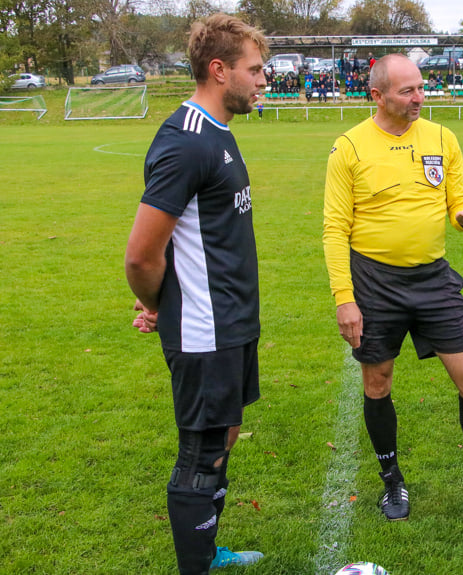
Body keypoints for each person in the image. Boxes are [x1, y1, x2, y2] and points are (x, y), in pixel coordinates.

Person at [323, 54, 463, 522]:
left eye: (421, 88)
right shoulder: (350, 148)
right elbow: (335, 229)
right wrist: (345, 299)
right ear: (376, 95)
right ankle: (392, 481)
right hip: (374, 283)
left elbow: (457, 198)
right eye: (408, 91)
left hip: (433, 278)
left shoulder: (442, 137)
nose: (420, 97)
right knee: (378, 382)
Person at [124, 13, 268, 575]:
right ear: (218, 70)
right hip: (205, 327)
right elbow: (141, 253)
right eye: (254, 70)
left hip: (229, 321)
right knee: (201, 451)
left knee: (223, 434)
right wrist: (160, 305)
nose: (263, 80)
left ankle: (208, 551)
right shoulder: (186, 142)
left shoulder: (218, 133)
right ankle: (196, 567)